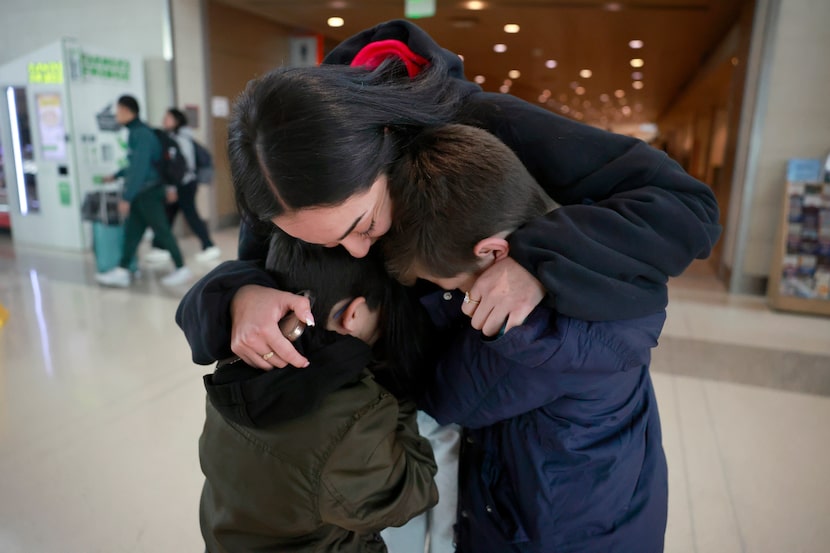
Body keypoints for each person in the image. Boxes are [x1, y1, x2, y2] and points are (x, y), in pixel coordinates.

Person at [175, 19, 720, 374]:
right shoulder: (281, 179)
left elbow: (685, 207)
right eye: (329, 242)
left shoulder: (486, 124)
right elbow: (254, 272)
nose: (359, 251)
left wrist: (538, 260)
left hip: (517, 422)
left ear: (387, 139)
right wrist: (241, 297)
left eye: (362, 225)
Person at [380, 123, 668, 553]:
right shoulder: (588, 254)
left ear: (493, 252)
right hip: (615, 507)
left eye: (452, 286)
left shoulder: (533, 335)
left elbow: (447, 399)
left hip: (554, 536)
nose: (454, 296)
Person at [199, 230, 438, 552]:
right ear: (353, 315)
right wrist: (398, 398)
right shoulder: (351, 420)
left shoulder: (237, 356)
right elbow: (414, 491)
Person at [96, 95, 192, 287]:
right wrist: (116, 175)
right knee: (132, 232)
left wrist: (127, 197)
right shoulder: (136, 132)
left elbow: (139, 169)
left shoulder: (141, 134)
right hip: (142, 192)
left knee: (162, 231)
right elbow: (135, 165)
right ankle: (123, 270)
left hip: (149, 193)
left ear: (127, 111)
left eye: (118, 111)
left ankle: (181, 268)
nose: (116, 115)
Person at [145, 108, 221, 265]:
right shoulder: (175, 137)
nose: (164, 120)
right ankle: (160, 247)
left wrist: (173, 187)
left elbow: (180, 166)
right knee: (169, 214)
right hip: (182, 183)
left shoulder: (181, 139)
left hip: (184, 184)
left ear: (177, 121)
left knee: (189, 215)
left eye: (168, 118)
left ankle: (209, 246)